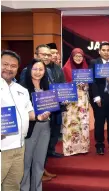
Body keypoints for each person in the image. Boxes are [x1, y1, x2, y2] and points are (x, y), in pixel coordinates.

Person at [1, 50, 49, 191]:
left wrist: (39, 117)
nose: (9, 68)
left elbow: (28, 112)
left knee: (12, 185)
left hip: (19, 146)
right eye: (5, 64)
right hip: (3, 148)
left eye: (13, 66)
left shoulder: (20, 89)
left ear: (18, 68)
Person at [20, 59, 54, 191]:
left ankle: (37, 188)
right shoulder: (22, 89)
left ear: (45, 72)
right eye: (35, 69)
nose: (38, 72)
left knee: (39, 162)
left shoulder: (47, 87)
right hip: (30, 128)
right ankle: (24, 188)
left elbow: (51, 105)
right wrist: (35, 116)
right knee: (26, 162)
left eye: (41, 69)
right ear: (29, 70)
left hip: (45, 127)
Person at [89, 42, 109, 155]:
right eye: (104, 50)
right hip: (100, 97)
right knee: (99, 122)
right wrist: (96, 97)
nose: (106, 52)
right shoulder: (94, 63)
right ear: (99, 51)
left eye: (108, 50)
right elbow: (92, 81)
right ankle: (100, 145)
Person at [61, 48, 90, 156]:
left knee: (83, 123)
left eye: (80, 56)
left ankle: (82, 148)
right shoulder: (66, 68)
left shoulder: (86, 68)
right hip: (70, 100)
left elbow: (89, 85)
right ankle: (70, 149)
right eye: (76, 56)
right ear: (72, 57)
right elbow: (62, 85)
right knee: (70, 123)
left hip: (83, 100)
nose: (78, 58)